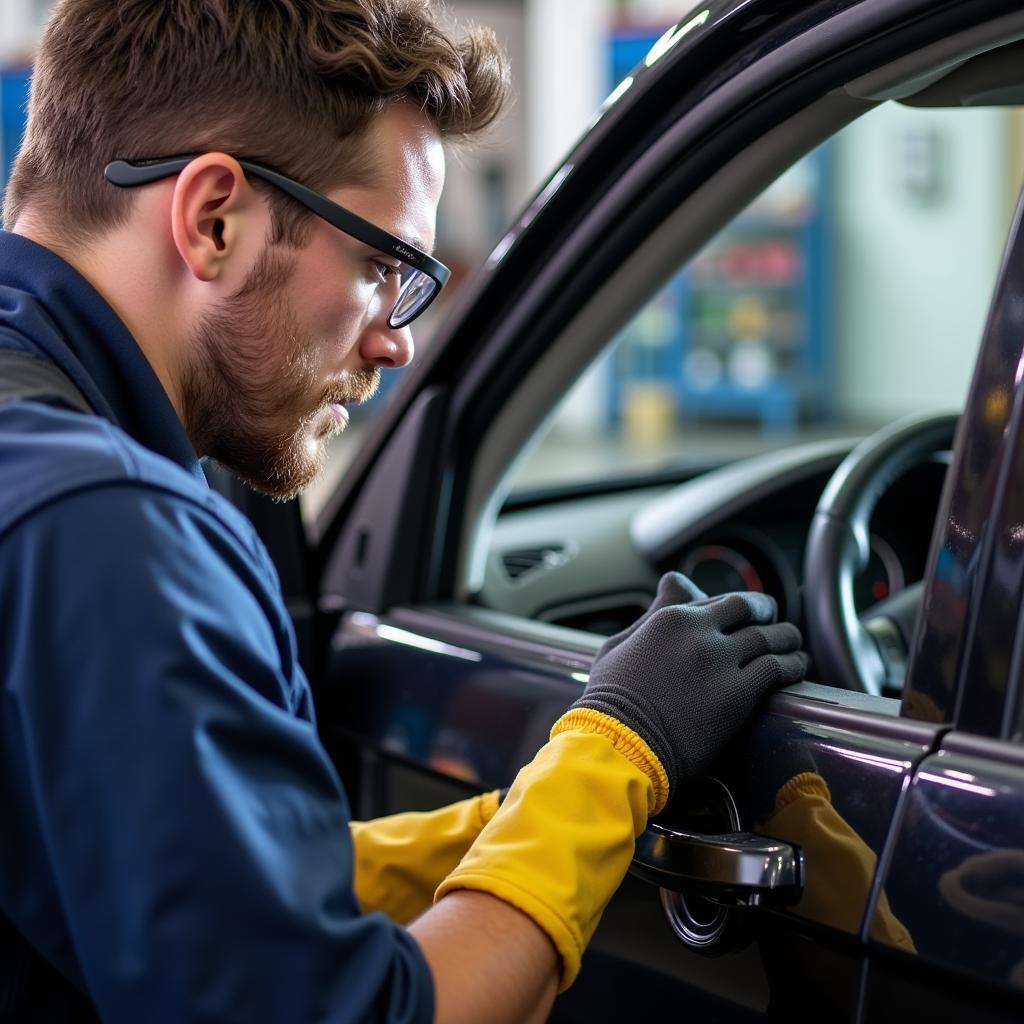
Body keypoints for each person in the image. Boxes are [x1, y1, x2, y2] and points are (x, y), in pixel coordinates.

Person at [0, 1, 807, 1021]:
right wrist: (616, 753)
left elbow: (179, 879)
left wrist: (512, 817)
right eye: (384, 268)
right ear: (213, 218)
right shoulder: (110, 533)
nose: (397, 342)